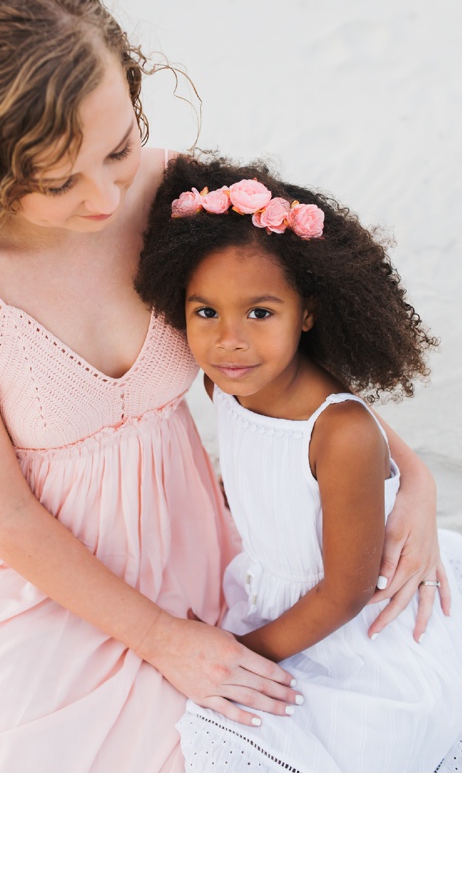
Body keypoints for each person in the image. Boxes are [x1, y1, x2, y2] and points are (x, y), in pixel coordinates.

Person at [0, 0, 450, 771]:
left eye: (118, 147)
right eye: (56, 181)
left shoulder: (171, 194)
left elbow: (286, 358)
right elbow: (7, 516)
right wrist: (165, 641)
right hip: (29, 567)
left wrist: (412, 476)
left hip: (185, 530)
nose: (101, 197)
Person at [135, 157, 460, 772]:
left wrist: (240, 652)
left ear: (306, 312)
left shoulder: (340, 434)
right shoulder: (224, 386)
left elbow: (346, 591)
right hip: (271, 593)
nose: (229, 340)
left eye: (260, 313)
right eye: (206, 312)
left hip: (352, 630)